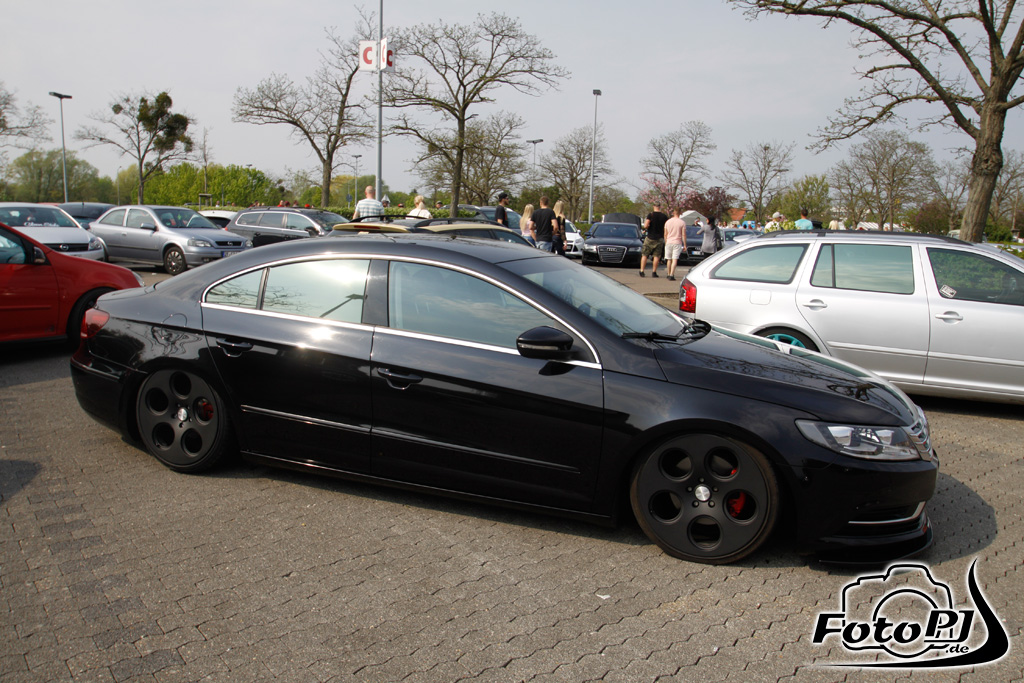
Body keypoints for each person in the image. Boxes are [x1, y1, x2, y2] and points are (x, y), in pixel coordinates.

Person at [639, 203, 668, 277]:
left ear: (653, 206)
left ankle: (642, 270)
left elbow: (645, 225)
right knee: (656, 256)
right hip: (659, 238)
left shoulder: (651, 215)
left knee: (645, 254)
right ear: (660, 207)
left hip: (650, 237)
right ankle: (654, 272)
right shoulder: (664, 216)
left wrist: (648, 227)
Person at [663, 207, 687, 281]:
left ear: (673, 213)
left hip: (669, 242)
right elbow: (683, 234)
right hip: (677, 242)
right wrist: (685, 244)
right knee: (675, 259)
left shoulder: (668, 222)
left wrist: (666, 242)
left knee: (669, 259)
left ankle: (668, 273)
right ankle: (672, 274)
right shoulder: (682, 222)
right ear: (680, 213)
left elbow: (665, 234)